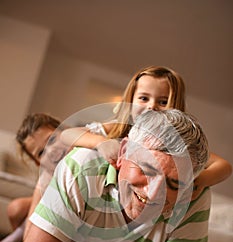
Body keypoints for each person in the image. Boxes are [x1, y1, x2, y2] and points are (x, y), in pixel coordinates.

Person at [16, 109, 210, 242]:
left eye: (173, 184)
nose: (153, 194)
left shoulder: (193, 197)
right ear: (123, 152)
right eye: (146, 170)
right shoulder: (80, 165)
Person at [61, 66, 232, 197]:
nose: (151, 106)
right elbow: (66, 134)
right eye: (144, 98)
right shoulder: (118, 129)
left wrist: (197, 181)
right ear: (130, 100)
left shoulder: (179, 144)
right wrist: (101, 142)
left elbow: (224, 166)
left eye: (163, 101)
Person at [0, 113, 69, 242]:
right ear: (38, 163)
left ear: (65, 131)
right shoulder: (48, 173)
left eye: (52, 139)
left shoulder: (83, 148)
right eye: (41, 153)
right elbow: (32, 219)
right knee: (16, 208)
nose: (51, 151)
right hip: (52, 208)